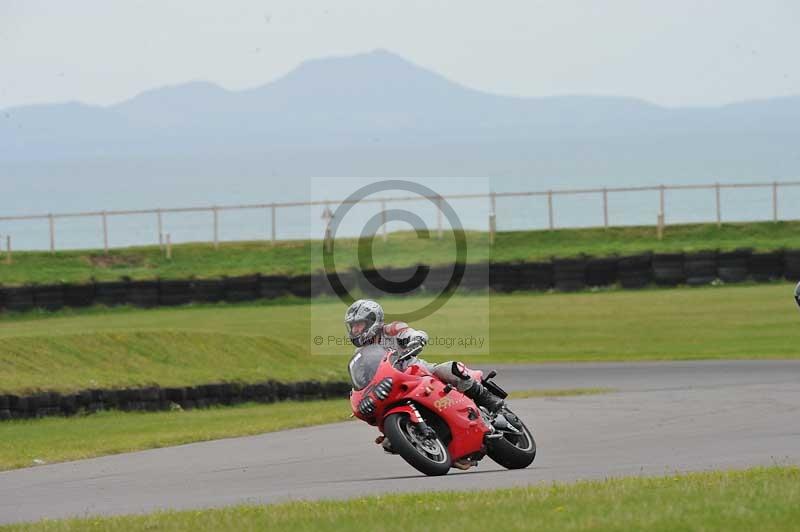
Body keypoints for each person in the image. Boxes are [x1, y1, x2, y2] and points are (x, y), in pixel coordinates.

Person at [344, 299, 504, 412]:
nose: (355, 330)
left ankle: (486, 398)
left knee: (450, 369)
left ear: (373, 320)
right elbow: (362, 378)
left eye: (359, 325)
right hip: (393, 385)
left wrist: (416, 340)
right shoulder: (360, 354)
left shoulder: (392, 329)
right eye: (353, 327)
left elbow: (411, 333)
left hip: (415, 370)